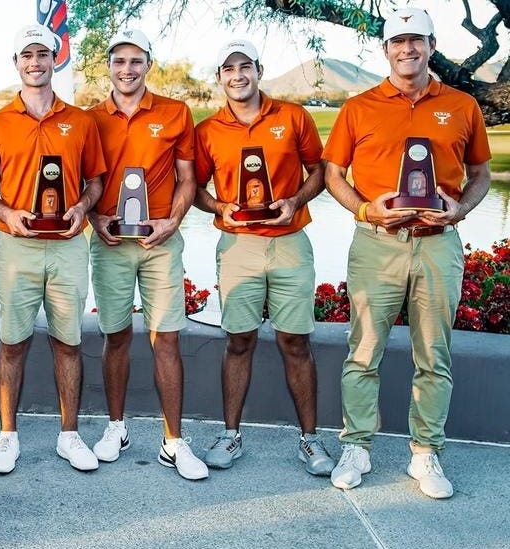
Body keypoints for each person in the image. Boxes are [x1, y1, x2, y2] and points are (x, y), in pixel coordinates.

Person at [322, 8, 491, 499]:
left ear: (432, 46)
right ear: (386, 49)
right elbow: (334, 174)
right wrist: (365, 211)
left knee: (433, 355)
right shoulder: (360, 106)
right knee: (364, 352)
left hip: (437, 245)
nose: (408, 49)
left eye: (417, 41)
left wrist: (460, 209)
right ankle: (356, 446)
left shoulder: (461, 105)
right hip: (378, 246)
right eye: (398, 41)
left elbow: (479, 173)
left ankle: (425, 453)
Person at [192, 39, 333, 476]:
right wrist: (219, 207)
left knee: (296, 342)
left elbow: (321, 170)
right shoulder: (208, 130)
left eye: (245, 66)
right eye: (228, 68)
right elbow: (195, 189)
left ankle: (310, 440)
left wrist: (295, 201)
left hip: (290, 242)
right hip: (237, 246)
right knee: (239, 340)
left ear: (258, 69)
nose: (237, 75)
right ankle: (231, 435)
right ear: (219, 77)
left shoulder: (293, 117)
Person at [0, 24, 106, 473]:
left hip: (67, 246)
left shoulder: (81, 121)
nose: (35, 62)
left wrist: (84, 208)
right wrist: (7, 213)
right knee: (13, 343)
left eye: (43, 55)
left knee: (68, 342)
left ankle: (70, 436)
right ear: (16, 64)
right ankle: (8, 437)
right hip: (17, 248)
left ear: (55, 59)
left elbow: (95, 182)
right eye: (26, 55)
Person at [84, 29, 207, 480]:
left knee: (166, 337)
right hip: (112, 242)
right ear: (109, 67)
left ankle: (173, 441)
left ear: (148, 65)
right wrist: (95, 220)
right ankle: (116, 428)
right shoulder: (90, 118)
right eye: (119, 61)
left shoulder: (175, 112)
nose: (127, 69)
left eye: (136, 61)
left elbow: (187, 177)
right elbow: (84, 183)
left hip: (160, 243)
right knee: (115, 336)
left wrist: (172, 221)